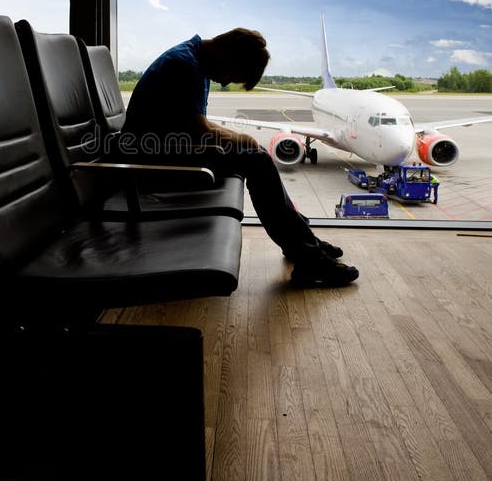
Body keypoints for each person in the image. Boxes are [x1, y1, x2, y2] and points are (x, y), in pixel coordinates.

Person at [121, 29, 359, 287]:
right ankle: (306, 253)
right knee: (257, 160)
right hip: (152, 163)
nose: (224, 82)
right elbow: (201, 129)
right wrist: (243, 139)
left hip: (166, 151)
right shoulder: (184, 66)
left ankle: (303, 244)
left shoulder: (193, 61)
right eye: (232, 75)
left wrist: (240, 141)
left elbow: (194, 126)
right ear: (227, 54)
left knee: (256, 157)